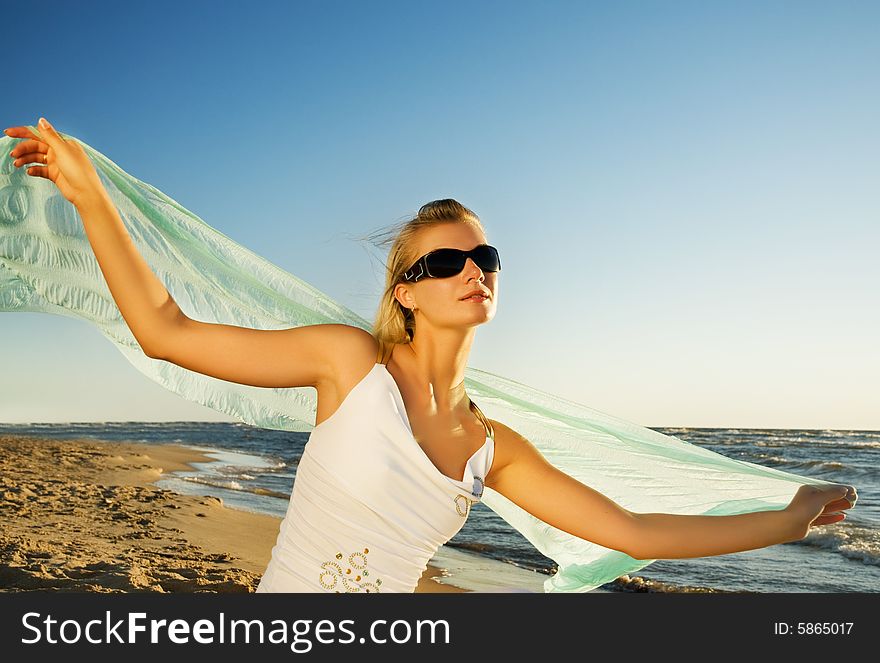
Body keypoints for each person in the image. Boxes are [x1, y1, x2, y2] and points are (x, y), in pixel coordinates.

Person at [2, 118, 858, 593]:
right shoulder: (349, 364)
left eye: (484, 259)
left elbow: (633, 531)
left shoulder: (496, 446)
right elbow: (167, 330)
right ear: (404, 289)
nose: (471, 272)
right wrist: (90, 194)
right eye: (444, 261)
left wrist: (788, 515)